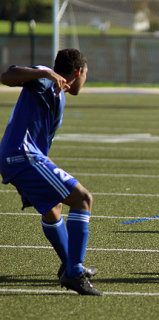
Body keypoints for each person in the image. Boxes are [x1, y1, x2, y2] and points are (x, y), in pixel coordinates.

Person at [0, 49, 102, 295]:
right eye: (86, 75)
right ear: (78, 72)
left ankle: (69, 264)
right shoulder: (45, 78)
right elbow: (7, 76)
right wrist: (44, 71)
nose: (85, 81)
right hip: (22, 157)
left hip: (23, 156)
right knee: (83, 199)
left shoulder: (59, 93)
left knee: (53, 208)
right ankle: (74, 272)